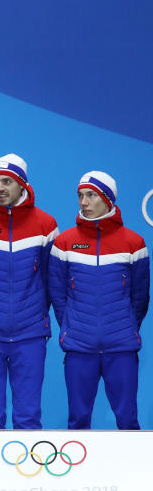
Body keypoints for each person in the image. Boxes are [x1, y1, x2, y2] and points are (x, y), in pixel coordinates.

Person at [49, 171, 149, 429]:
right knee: (78, 421)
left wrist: (125, 327)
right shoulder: (64, 242)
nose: (84, 202)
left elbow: (140, 297)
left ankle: (134, 470)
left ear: (108, 200)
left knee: (127, 419)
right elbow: (59, 296)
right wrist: (72, 327)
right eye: (81, 196)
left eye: (91, 195)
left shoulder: (134, 243)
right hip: (79, 348)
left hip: (122, 348)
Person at [0, 154, 58, 428]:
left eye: (7, 181)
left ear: (23, 185)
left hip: (30, 334)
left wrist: (36, 314)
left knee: (28, 418)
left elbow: (51, 280)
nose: (0, 187)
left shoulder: (46, 225)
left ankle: (29, 472)